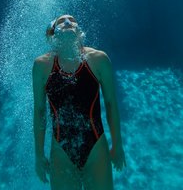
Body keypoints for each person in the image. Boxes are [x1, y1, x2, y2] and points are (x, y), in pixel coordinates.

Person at [32, 14, 126, 190]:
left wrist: (117, 145)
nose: (68, 22)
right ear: (53, 33)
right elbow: (39, 112)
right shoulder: (41, 66)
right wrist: (38, 155)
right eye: (61, 21)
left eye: (73, 20)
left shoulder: (98, 59)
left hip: (96, 148)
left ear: (79, 31)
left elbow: (112, 104)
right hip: (61, 152)